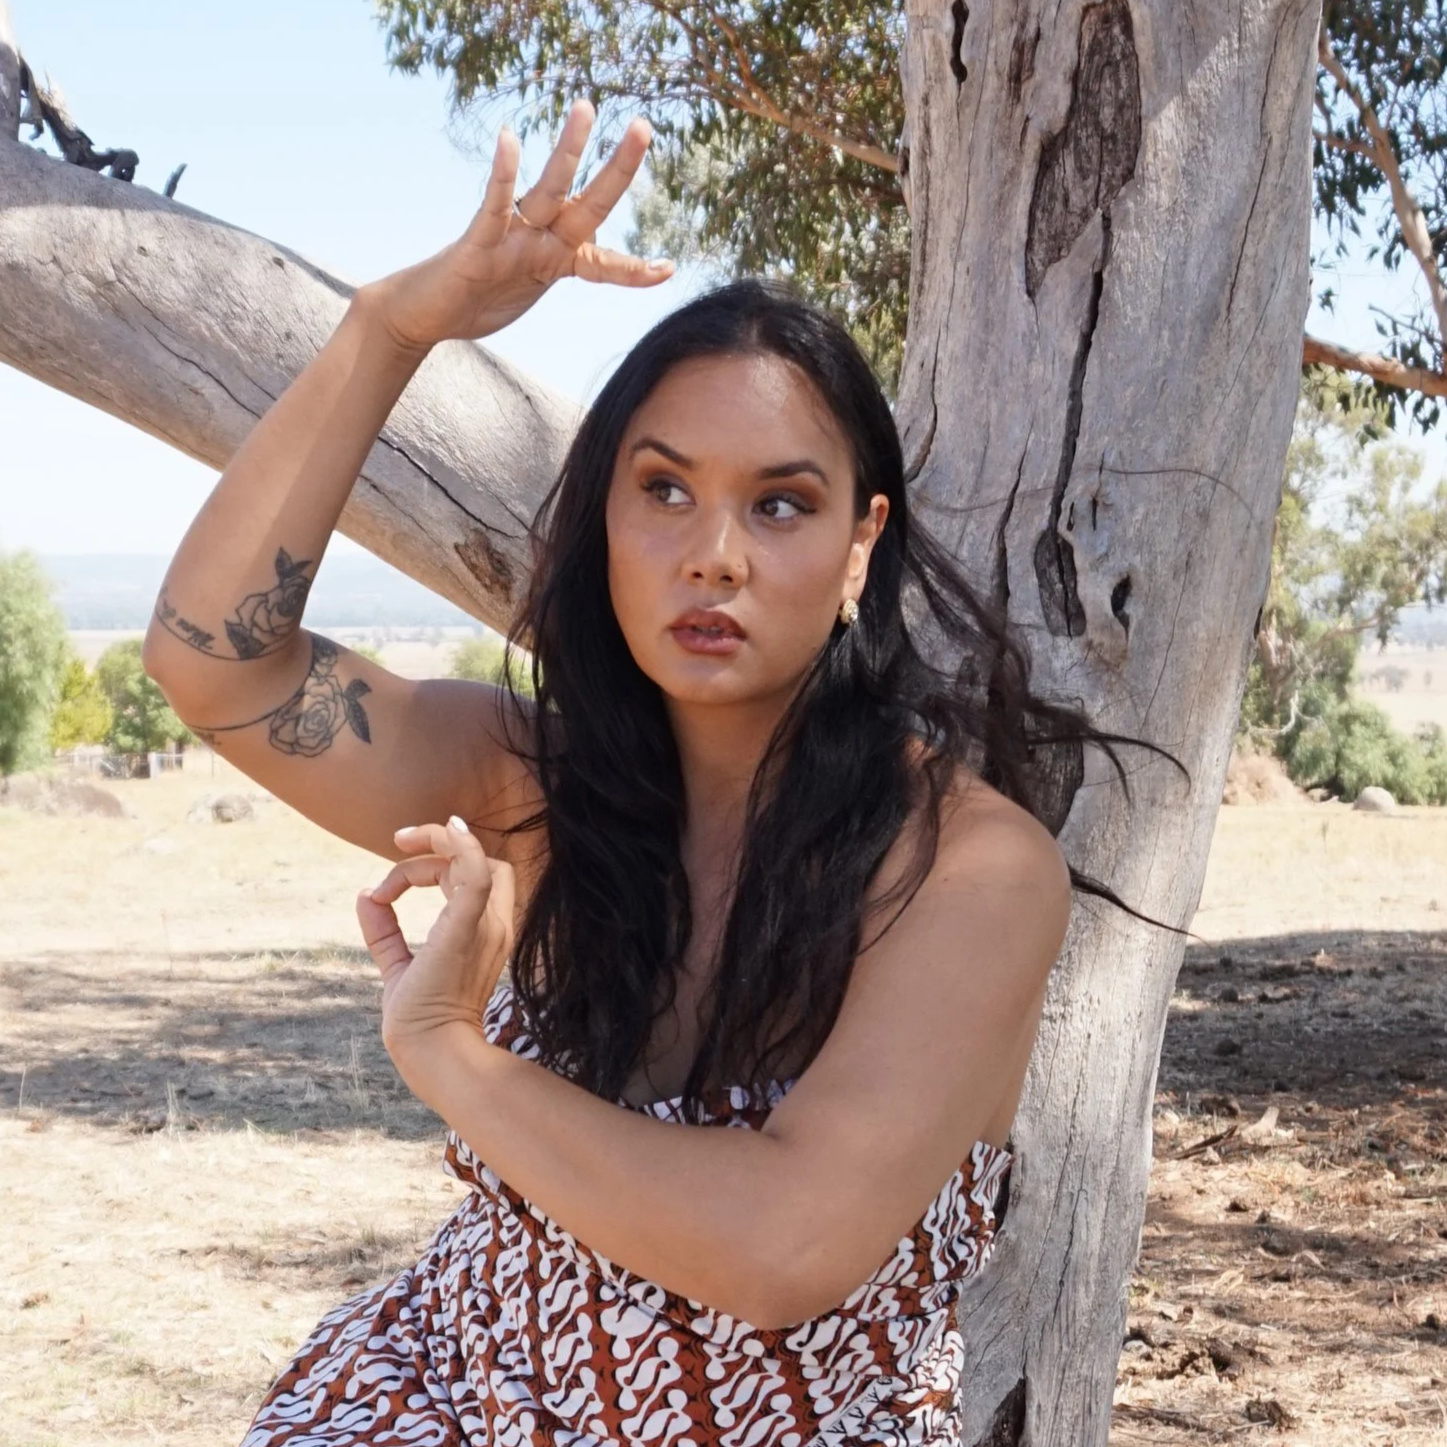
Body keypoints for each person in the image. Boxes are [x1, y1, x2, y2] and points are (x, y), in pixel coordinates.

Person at [143, 99, 1180, 1447]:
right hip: (440, 1391)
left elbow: (783, 1244)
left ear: (860, 543)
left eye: (781, 504)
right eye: (665, 489)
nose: (715, 555)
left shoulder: (963, 868)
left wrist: (451, 1052)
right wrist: (390, 330)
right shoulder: (527, 783)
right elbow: (218, 665)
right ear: (607, 516)